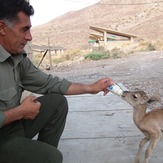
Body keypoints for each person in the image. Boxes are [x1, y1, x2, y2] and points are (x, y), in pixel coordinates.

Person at [0, 0, 114, 162]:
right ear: (2, 27)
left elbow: (49, 83)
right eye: (24, 29)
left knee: (57, 102)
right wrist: (21, 112)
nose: (29, 37)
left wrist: (91, 87)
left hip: (14, 126)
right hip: (2, 139)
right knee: (52, 157)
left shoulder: (17, 57)